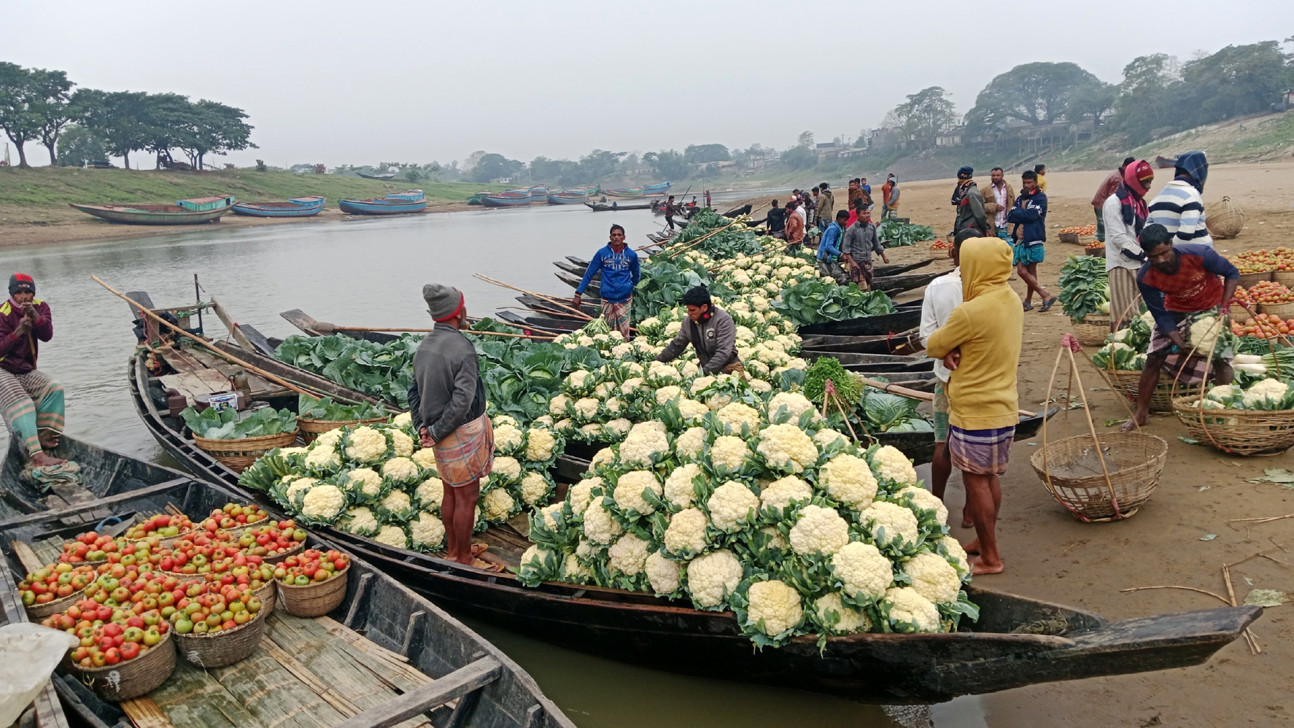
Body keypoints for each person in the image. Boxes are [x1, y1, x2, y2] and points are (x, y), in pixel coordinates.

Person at [925, 236, 1023, 575]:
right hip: (1004, 406)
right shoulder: (1011, 300)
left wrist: (948, 349)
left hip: (974, 411)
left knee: (976, 481)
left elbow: (935, 343)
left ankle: (991, 558)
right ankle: (983, 541)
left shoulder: (970, 311)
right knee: (989, 477)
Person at [1120, 224, 1238, 431]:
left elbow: (1232, 272)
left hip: (1210, 307)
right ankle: (1141, 414)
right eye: (1153, 257)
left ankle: (1220, 409)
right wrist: (1176, 338)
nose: (1160, 260)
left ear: (1171, 245)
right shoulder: (1146, 277)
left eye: (1164, 253)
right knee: (1154, 358)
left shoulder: (1200, 255)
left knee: (1221, 359)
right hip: (1176, 311)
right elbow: (1160, 313)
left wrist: (1224, 307)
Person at [411, 284, 494, 567]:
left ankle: (453, 551)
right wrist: (435, 431)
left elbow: (414, 391)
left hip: (439, 430)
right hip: (461, 431)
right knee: (467, 496)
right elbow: (461, 401)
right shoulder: (463, 349)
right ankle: (465, 557)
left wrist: (423, 426)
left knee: (450, 491)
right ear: (459, 312)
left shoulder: (424, 346)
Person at [921, 230, 972, 528]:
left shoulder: (938, 286)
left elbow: (926, 336)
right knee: (971, 446)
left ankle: (937, 502)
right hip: (981, 380)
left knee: (943, 442)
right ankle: (968, 512)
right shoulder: (989, 289)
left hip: (947, 378)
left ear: (954, 253)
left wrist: (945, 353)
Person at [0, 274, 65, 467]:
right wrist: (17, 332)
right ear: (12, 293)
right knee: (24, 404)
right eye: (19, 292)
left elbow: (47, 335)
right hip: (2, 369)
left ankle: (42, 436)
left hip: (25, 370)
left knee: (54, 389)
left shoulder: (41, 307)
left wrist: (36, 318)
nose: (24, 297)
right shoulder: (3, 313)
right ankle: (37, 455)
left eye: (28, 291)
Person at [1103, 160, 1155, 329]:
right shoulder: (1113, 202)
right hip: (1121, 264)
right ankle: (1120, 347)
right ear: (1133, 180)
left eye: (1150, 182)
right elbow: (1118, 238)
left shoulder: (1139, 203)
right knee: (1125, 313)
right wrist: (1143, 254)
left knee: (1141, 311)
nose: (1148, 187)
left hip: (1140, 264)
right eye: (1144, 182)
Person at [655, 286, 743, 375]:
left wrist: (704, 373)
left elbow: (723, 352)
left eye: (692, 310)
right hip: (705, 365)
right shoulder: (688, 322)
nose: (689, 313)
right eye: (688, 309)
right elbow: (677, 345)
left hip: (728, 366)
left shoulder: (723, 320)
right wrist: (657, 361)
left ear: (704, 307)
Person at [573, 224, 640, 339]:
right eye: (614, 235)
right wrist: (578, 293)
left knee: (624, 334)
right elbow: (589, 274)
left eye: (619, 235)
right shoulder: (602, 254)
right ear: (610, 237)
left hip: (624, 301)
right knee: (607, 335)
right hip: (607, 300)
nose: (616, 237)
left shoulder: (631, 255)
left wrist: (628, 286)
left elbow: (637, 276)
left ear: (624, 237)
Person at [1007, 170, 1057, 311]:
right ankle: (1030, 300)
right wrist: (1023, 214)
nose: (1026, 185)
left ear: (1035, 182)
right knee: (1029, 271)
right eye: (1024, 182)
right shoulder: (1020, 198)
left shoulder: (1040, 197)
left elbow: (1033, 215)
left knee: (1023, 271)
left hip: (1034, 236)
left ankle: (1044, 295)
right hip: (1021, 239)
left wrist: (1020, 213)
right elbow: (1011, 216)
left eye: (1029, 182)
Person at [1147, 151, 1212, 247]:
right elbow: (1186, 233)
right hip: (1195, 256)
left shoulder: (1157, 198)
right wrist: (1170, 251)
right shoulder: (1192, 195)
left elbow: (1147, 231)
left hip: (1168, 257)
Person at [841, 207, 889, 290]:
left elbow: (876, 243)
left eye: (868, 213)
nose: (867, 215)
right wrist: (852, 263)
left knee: (869, 284)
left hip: (868, 262)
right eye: (864, 213)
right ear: (858, 215)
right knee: (862, 286)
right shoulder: (851, 230)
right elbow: (845, 248)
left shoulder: (871, 227)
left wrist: (884, 257)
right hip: (857, 264)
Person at [1093, 157, 1136, 243]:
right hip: (1102, 204)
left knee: (1102, 227)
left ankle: (1100, 243)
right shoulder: (1118, 179)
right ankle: (1101, 245)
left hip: (1100, 201)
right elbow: (1113, 197)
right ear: (1124, 166)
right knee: (1105, 228)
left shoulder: (1117, 173)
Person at [951, 166, 988, 238]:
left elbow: (979, 214)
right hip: (965, 226)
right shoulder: (965, 191)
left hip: (971, 227)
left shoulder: (971, 193)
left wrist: (985, 229)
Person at [816, 210, 850, 284]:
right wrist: (840, 254)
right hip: (824, 258)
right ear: (839, 219)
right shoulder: (833, 229)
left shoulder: (841, 228)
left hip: (831, 258)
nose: (846, 222)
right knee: (838, 278)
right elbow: (828, 246)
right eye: (845, 220)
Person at [981, 167, 1015, 242]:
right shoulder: (985, 190)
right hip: (992, 226)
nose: (995, 177)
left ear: (1002, 175)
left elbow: (1013, 203)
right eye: (993, 175)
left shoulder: (1008, 188)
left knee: (1009, 248)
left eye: (998, 175)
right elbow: (980, 206)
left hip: (1005, 225)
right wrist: (993, 207)